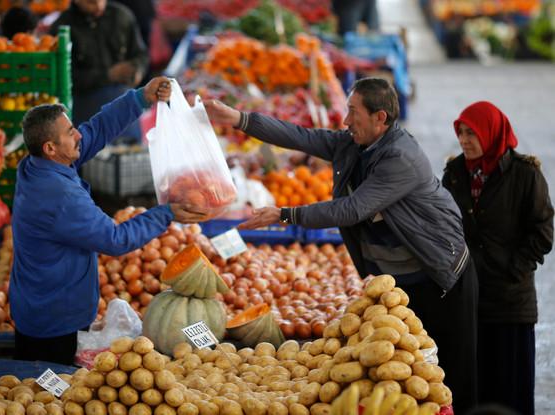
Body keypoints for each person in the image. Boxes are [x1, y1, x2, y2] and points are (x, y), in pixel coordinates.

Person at [204, 78, 478, 413]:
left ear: (380, 118)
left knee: (450, 378)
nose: (346, 121)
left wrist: (284, 214)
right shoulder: (354, 143)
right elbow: (301, 136)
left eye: (353, 112)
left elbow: (352, 209)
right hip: (399, 282)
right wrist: (239, 119)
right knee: (406, 379)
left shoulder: (399, 157)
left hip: (440, 277)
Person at [10, 77, 207, 365]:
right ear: (51, 147)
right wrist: (166, 213)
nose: (78, 135)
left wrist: (140, 98)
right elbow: (115, 240)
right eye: (69, 132)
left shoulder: (37, 164)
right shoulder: (60, 196)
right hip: (53, 321)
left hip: (36, 303)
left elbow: (95, 131)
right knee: (50, 395)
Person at [442, 101, 553, 415]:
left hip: (509, 303)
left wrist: (514, 269)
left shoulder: (524, 174)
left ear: (491, 133)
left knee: (509, 391)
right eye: (461, 132)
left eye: (472, 133)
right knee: (473, 389)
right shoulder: (454, 173)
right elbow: (441, 222)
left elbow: (543, 230)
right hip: (468, 300)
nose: (464, 140)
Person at [50, 0, 148, 139]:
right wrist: (108, 76)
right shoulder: (62, 27)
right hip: (85, 108)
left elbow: (141, 54)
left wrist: (137, 69)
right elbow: (63, 78)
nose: (98, 5)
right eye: (91, 2)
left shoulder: (122, 16)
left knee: (130, 154)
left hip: (124, 105)